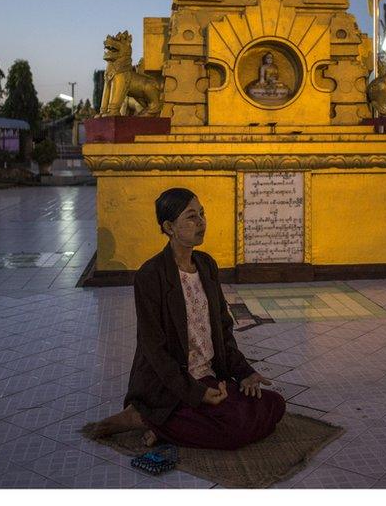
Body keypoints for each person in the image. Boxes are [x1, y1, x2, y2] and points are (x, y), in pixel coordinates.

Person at [88, 187, 286, 450]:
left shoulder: (206, 265)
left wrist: (245, 372)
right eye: (191, 217)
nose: (201, 222)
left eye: (202, 214)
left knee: (274, 404)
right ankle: (143, 415)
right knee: (232, 431)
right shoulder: (151, 275)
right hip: (170, 383)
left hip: (209, 375)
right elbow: (154, 350)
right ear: (169, 226)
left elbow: (224, 329)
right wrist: (196, 393)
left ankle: (160, 425)